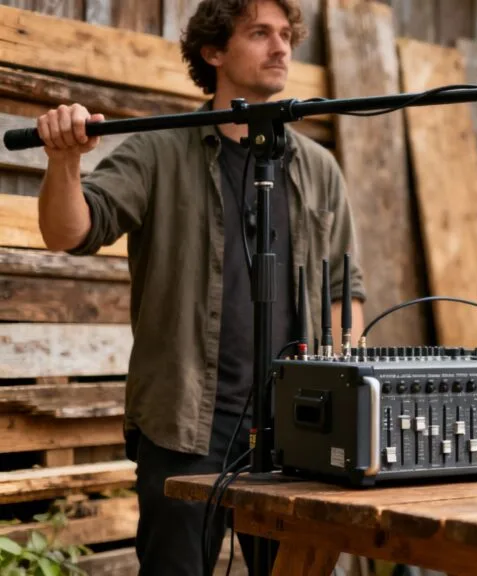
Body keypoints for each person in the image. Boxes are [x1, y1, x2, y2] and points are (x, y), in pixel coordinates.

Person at [34, 0, 366, 573]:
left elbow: (344, 285)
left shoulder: (318, 168)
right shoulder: (158, 150)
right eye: (259, 33)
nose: (280, 47)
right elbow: (70, 231)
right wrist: (64, 162)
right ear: (213, 51)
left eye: (285, 34)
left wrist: (344, 381)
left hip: (299, 425)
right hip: (188, 421)